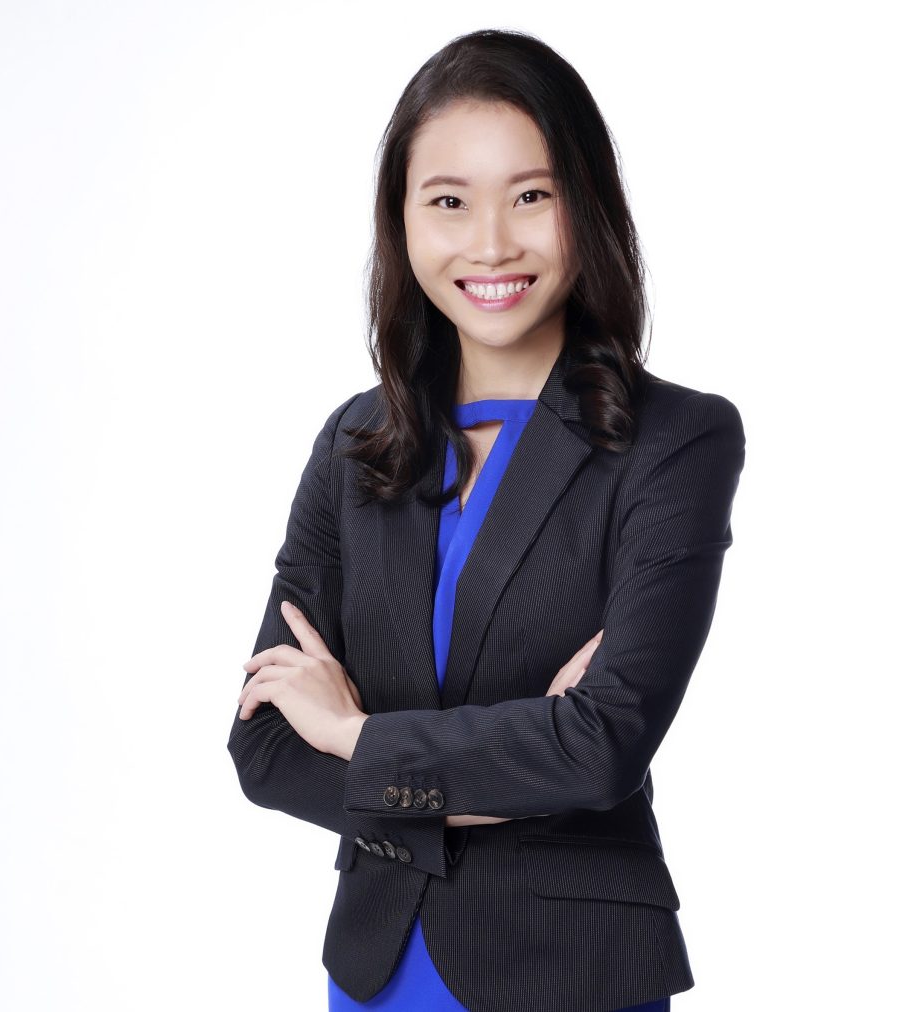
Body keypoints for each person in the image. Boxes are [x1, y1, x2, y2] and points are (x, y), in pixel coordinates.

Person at [227, 28, 746, 1012]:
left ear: (584, 207)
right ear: (402, 221)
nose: (491, 242)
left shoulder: (675, 441)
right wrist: (514, 751)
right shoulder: (355, 442)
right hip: (378, 972)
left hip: (570, 970)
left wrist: (354, 731)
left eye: (532, 195)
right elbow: (264, 747)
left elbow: (599, 749)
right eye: (449, 202)